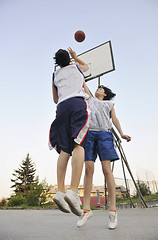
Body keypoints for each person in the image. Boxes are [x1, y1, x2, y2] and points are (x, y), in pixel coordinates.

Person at [77, 85, 131, 228]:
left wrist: (122, 134)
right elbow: (83, 82)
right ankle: (87, 210)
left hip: (104, 134)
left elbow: (114, 120)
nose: (98, 89)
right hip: (90, 134)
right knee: (88, 169)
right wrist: (74, 62)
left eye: (101, 89)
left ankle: (113, 212)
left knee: (107, 170)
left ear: (105, 94)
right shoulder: (91, 100)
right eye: (97, 88)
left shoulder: (109, 104)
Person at [49, 47, 90, 216]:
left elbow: (55, 99)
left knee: (64, 150)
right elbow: (86, 66)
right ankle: (73, 191)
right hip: (76, 104)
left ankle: (60, 191)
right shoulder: (77, 67)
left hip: (62, 108)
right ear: (69, 60)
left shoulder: (54, 75)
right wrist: (76, 57)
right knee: (79, 145)